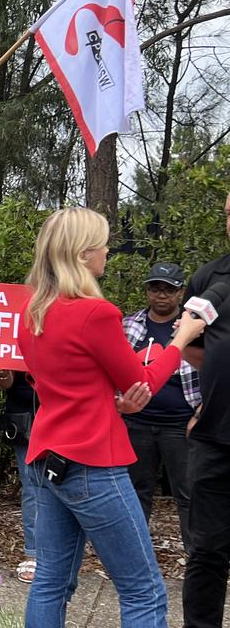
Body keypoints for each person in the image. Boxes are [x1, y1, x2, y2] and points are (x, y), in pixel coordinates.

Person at [17, 206, 204, 627]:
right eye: (102, 243)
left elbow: (54, 381)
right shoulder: (96, 313)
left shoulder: (32, 312)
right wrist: (182, 339)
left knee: (50, 581)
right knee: (144, 591)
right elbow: (140, 382)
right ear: (83, 254)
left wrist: (111, 397)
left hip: (48, 456)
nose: (107, 251)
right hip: (92, 462)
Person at [123, 262, 199, 552]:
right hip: (137, 420)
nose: (161, 295)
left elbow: (212, 371)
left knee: (188, 492)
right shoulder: (129, 324)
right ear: (147, 291)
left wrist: (201, 412)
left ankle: (197, 556)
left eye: (169, 289)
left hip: (181, 422)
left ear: (180, 293)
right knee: (136, 489)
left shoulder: (193, 327)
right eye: (155, 288)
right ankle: (133, 552)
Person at [182, 190, 230, 628]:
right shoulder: (209, 277)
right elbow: (191, 347)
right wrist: (207, 401)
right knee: (207, 552)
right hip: (215, 439)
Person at [0, 369, 38, 583]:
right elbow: (7, 381)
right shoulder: (16, 334)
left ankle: (62, 554)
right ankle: (35, 552)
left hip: (68, 409)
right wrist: (3, 376)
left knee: (70, 484)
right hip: (26, 414)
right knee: (32, 485)